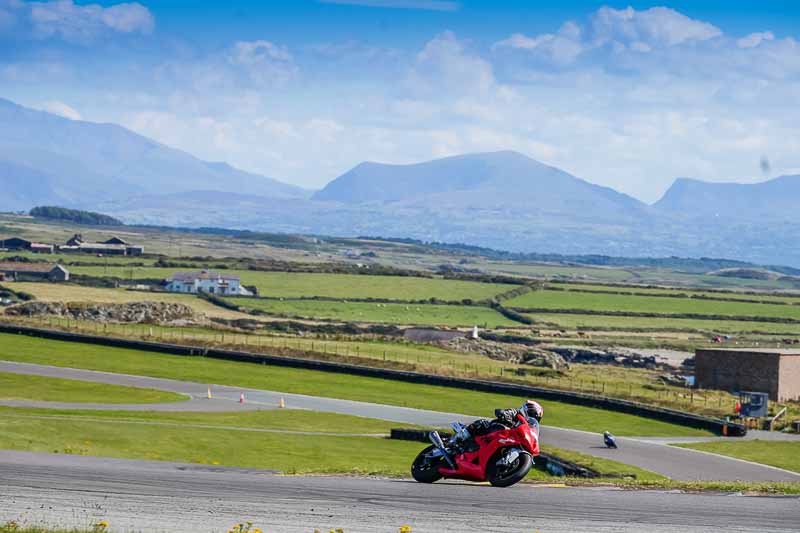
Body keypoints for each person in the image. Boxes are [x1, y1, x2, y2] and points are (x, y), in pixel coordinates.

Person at [453, 400, 543, 449]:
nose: (532, 417)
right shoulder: (515, 413)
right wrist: (503, 414)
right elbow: (502, 412)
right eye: (532, 414)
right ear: (526, 410)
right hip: (496, 430)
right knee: (482, 423)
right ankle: (460, 436)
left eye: (536, 417)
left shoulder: (528, 429)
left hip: (506, 441)